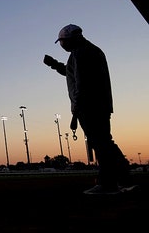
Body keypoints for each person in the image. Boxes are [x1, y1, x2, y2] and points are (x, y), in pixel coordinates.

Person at [44, 24, 133, 194]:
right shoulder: (90, 50)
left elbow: (81, 83)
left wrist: (76, 109)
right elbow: (72, 73)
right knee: (105, 142)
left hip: (89, 105)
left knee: (100, 144)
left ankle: (108, 183)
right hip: (100, 103)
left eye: (62, 42)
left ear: (70, 40)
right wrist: (54, 65)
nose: (62, 46)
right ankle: (124, 177)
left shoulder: (80, 53)